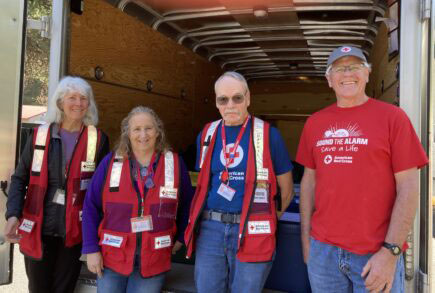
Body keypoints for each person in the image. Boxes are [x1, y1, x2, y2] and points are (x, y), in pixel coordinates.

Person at [296, 46, 429, 292]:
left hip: (376, 253)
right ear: (329, 79)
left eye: (355, 66)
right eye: (339, 68)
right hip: (323, 252)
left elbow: (409, 187)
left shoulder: (393, 118)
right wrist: (306, 240)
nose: (347, 73)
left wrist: (390, 251)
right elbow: (309, 182)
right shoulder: (315, 123)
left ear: (367, 73)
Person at [184, 71, 294, 293]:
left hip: (253, 230)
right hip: (211, 230)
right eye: (223, 99)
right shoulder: (206, 134)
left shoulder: (269, 135)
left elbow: (287, 191)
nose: (230, 105)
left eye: (237, 98)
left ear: (248, 98)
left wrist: (266, 220)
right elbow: (206, 184)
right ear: (216, 102)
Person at [4, 76, 110, 293]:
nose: (78, 103)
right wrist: (13, 214)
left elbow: (103, 190)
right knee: (38, 288)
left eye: (83, 98)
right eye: (72, 97)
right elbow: (19, 178)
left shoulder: (98, 139)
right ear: (60, 102)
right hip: (37, 226)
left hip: (74, 230)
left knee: (64, 289)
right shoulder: (39, 135)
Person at [82, 106, 194, 293]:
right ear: (127, 133)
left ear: (158, 131)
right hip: (112, 258)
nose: (143, 134)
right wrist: (91, 249)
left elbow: (188, 205)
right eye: (136, 129)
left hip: (153, 259)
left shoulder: (174, 163)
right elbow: (90, 206)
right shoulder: (110, 163)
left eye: (149, 128)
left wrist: (182, 236)